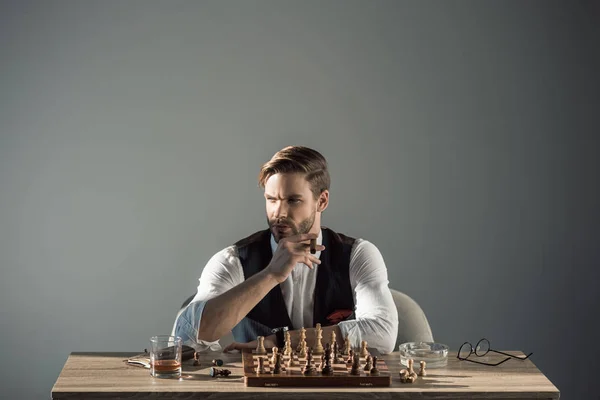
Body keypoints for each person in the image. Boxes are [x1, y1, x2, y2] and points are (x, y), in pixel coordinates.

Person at [173, 146, 398, 354]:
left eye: (293, 200)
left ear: (322, 201)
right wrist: (270, 275)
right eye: (271, 199)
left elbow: (382, 334)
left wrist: (279, 341)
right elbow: (185, 338)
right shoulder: (233, 260)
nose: (279, 213)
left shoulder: (357, 255)